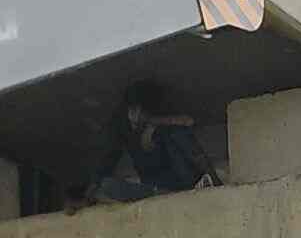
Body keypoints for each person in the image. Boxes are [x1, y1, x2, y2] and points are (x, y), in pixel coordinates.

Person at [90, 82, 220, 203]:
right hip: (156, 189)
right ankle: (165, 194)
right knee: (107, 185)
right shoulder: (124, 130)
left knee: (175, 133)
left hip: (186, 181)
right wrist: (91, 189)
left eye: (138, 109)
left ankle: (198, 186)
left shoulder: (165, 126)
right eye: (131, 109)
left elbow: (188, 122)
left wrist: (153, 123)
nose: (133, 114)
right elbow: (108, 160)